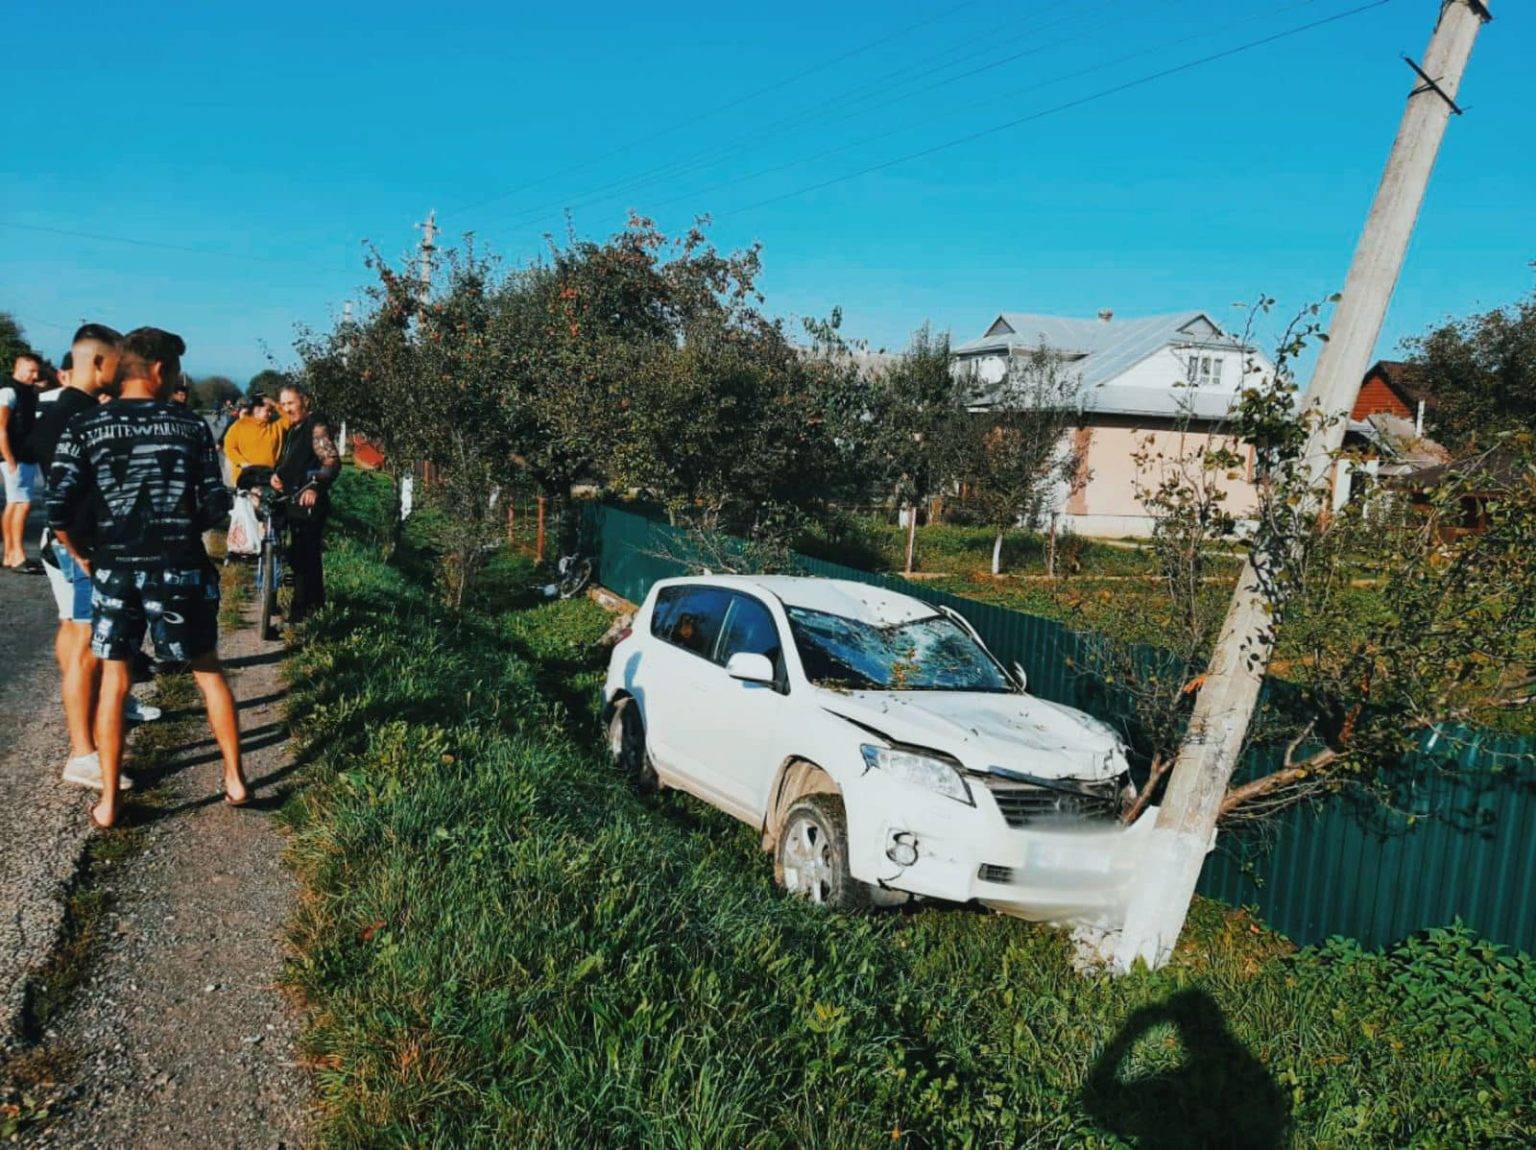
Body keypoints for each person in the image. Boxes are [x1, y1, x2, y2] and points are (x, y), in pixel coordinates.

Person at [49, 327, 249, 827]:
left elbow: (58, 510)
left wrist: (87, 559)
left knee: (115, 682)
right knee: (208, 671)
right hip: (180, 565)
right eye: (176, 370)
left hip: (115, 569)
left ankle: (110, 802)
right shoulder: (189, 427)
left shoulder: (86, 424)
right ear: (160, 370)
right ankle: (235, 780)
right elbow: (215, 503)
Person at [30, 325, 157, 789]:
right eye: (118, 362)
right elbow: (77, 496)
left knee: (71, 635)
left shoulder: (59, 410)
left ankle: (92, 726)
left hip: (61, 543)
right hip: (79, 548)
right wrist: (84, 550)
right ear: (100, 363)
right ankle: (83, 752)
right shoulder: (81, 417)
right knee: (86, 645)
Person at [273, 383, 340, 625]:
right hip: (292, 499)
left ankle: (299, 616)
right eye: (283, 404)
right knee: (302, 557)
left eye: (291, 403)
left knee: (304, 556)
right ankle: (314, 609)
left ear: (306, 401)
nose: (287, 408)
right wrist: (279, 475)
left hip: (309, 502)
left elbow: (331, 461)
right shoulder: (296, 429)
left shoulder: (316, 426)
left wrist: (315, 486)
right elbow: (295, 462)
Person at [1, 352, 45, 571]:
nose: (35, 375)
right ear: (18, 369)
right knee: (23, 503)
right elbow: (1, 427)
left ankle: (10, 554)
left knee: (14, 503)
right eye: (31, 371)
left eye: (37, 371)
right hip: (16, 457)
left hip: (22, 455)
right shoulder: (9, 391)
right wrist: (9, 458)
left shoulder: (28, 392)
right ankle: (18, 555)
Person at [223, 392, 284, 486]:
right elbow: (229, 447)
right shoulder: (239, 426)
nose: (270, 413)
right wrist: (242, 462)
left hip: (269, 478)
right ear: (256, 409)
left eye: (272, 410)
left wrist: (273, 403)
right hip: (245, 479)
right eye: (267, 410)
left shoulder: (276, 425)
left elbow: (290, 417)